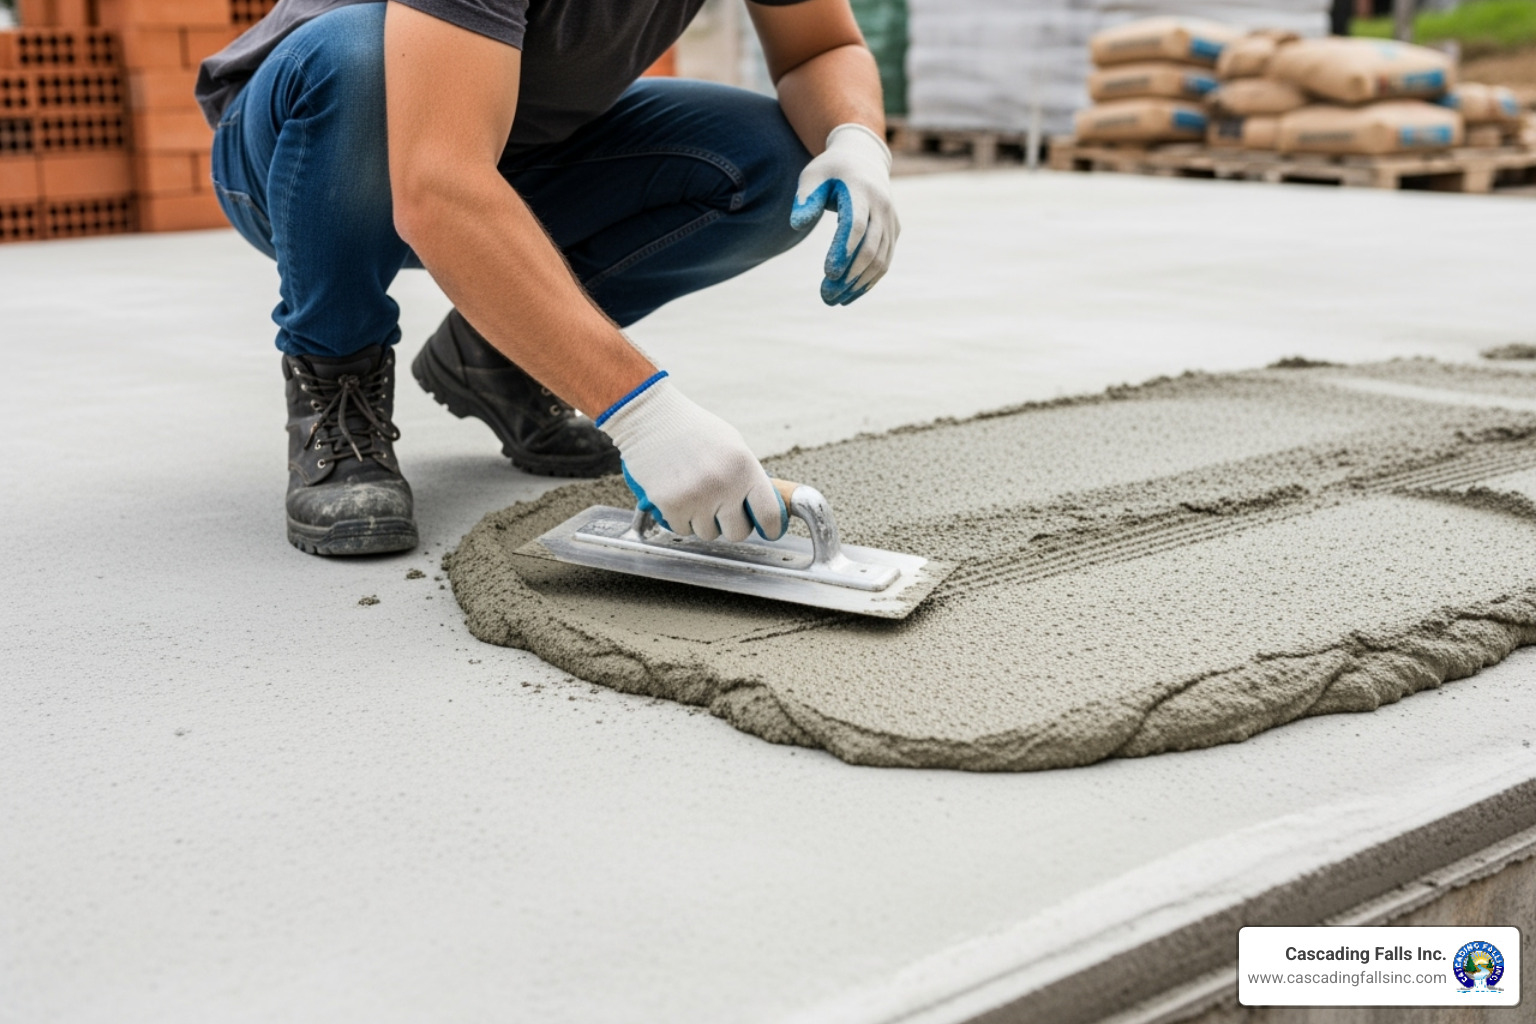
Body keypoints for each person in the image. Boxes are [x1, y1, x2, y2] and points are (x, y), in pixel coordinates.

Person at [196, 0, 900, 556]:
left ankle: (495, 355)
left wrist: (856, 140)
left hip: (514, 146)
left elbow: (818, 47)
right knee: (362, 58)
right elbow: (437, 184)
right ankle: (335, 381)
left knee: (770, 163)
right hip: (308, 150)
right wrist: (642, 412)